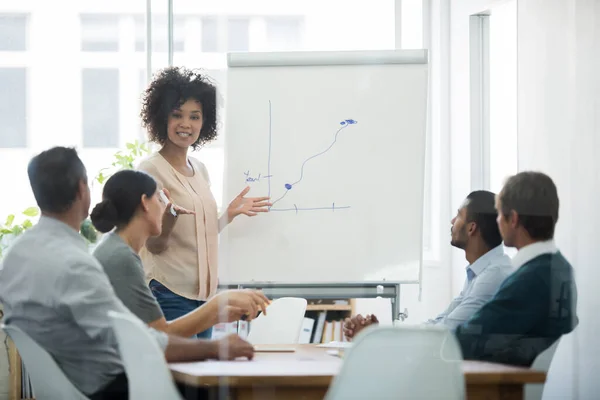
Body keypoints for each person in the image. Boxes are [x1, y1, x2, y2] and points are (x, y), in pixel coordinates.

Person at [0, 147, 254, 400]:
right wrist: (215, 346)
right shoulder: (78, 264)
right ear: (82, 189)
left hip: (70, 385)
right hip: (106, 389)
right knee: (224, 392)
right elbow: (140, 344)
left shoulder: (16, 255)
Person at [138, 66, 271, 338]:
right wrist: (169, 218)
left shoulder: (199, 169)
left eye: (194, 117)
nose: (186, 124)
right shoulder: (150, 170)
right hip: (169, 293)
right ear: (162, 118)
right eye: (177, 115)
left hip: (204, 297)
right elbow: (153, 243)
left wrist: (227, 216)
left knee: (201, 378)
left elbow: (197, 233)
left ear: (204, 122)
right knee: (181, 378)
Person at [91, 169, 269, 337]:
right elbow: (161, 336)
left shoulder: (115, 249)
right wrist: (220, 302)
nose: (164, 208)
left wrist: (220, 311)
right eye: (160, 200)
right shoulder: (121, 258)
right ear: (145, 203)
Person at [344, 191, 514, 338]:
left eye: (459, 216)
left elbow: (445, 332)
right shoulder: (481, 271)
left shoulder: (493, 275)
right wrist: (378, 333)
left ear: (471, 229)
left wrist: (379, 336)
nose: (452, 221)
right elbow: (440, 322)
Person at [454, 171, 578, 366]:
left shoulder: (532, 280)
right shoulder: (558, 268)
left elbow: (467, 340)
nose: (496, 221)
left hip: (492, 386)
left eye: (500, 213)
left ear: (513, 219)